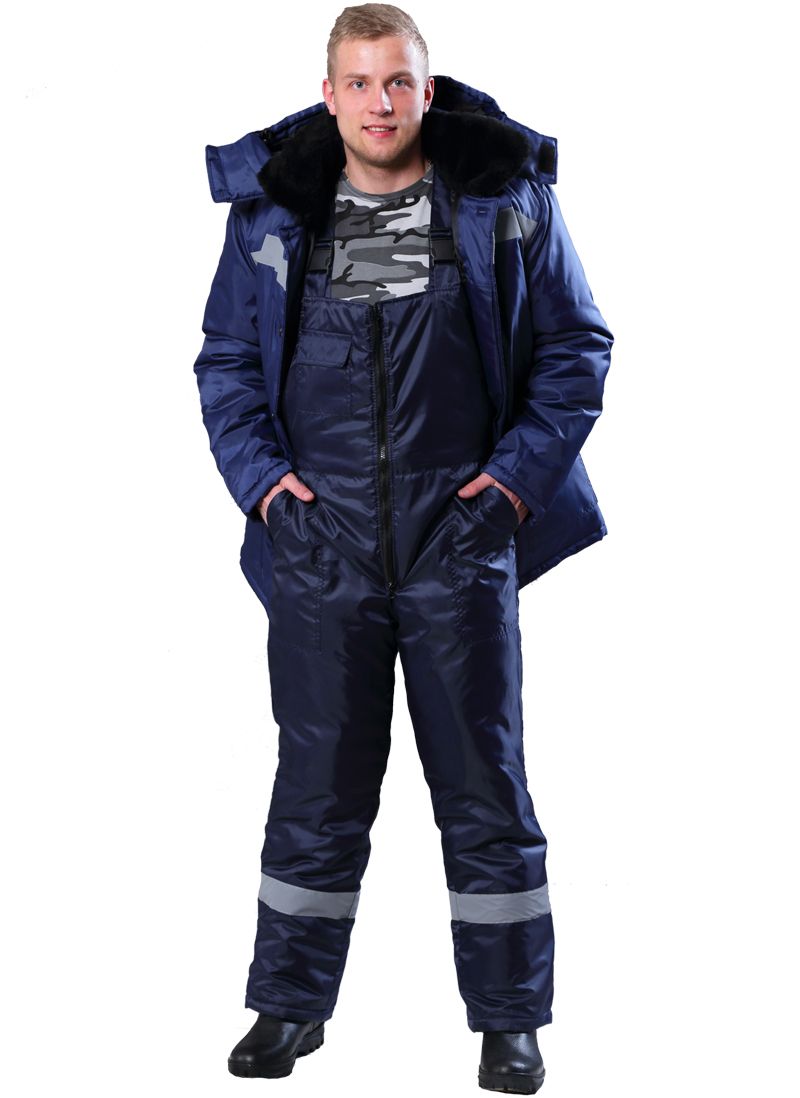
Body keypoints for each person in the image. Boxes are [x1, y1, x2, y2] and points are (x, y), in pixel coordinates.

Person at [193, 4, 613, 1092]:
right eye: (359, 83)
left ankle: (509, 1022)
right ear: (328, 95)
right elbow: (225, 359)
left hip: (457, 541)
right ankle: (289, 1007)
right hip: (318, 545)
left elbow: (576, 347)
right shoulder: (272, 213)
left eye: (397, 82)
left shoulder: (503, 199)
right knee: (315, 787)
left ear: (426, 90)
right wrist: (265, 490)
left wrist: (509, 491)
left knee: (484, 785)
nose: (379, 104)